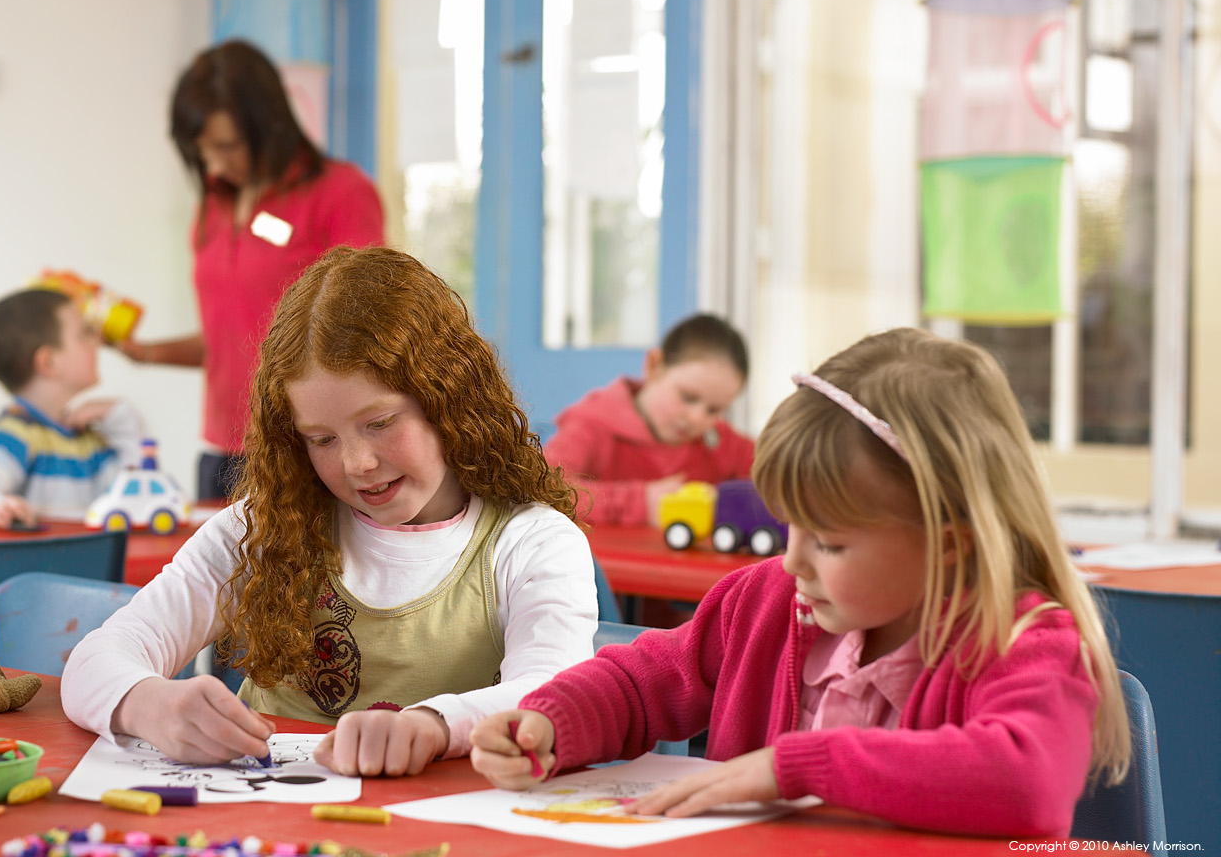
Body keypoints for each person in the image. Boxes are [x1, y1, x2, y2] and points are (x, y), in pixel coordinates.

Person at [471, 328, 1130, 839]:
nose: (793, 563)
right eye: (790, 528)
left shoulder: (1025, 640)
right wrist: (552, 722)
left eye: (831, 542)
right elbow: (643, 683)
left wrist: (791, 767)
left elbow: (1029, 780)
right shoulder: (764, 602)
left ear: (949, 541)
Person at [62, 246, 597, 778]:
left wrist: (434, 724)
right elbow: (95, 658)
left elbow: (552, 691)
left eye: (380, 423)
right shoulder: (262, 529)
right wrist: (149, 703)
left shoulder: (534, 542)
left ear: (449, 398)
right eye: (321, 439)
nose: (358, 463)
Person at [117, 39, 384, 503]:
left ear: (269, 126)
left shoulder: (341, 193)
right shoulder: (213, 206)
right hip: (222, 452)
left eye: (226, 147)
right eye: (202, 152)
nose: (214, 165)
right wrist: (147, 353)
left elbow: (368, 331)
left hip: (305, 449)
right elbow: (234, 336)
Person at [543, 313, 754, 527]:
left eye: (714, 410)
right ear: (654, 365)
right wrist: (640, 503)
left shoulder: (716, 438)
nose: (696, 418)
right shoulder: (591, 425)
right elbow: (542, 488)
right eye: (688, 397)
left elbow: (768, 469)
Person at [0, 288, 145, 528]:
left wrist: (121, 415)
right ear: (49, 362)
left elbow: (136, 490)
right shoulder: (16, 434)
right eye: (85, 333)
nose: (97, 341)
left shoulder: (87, 439)